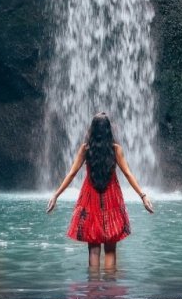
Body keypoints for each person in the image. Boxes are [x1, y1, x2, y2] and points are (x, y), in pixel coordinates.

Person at [46, 111, 155, 269]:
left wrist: (56, 195)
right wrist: (142, 196)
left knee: (94, 249)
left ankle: (93, 289)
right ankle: (110, 290)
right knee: (110, 249)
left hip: (90, 198)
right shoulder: (116, 149)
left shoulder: (85, 149)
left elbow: (71, 174)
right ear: (109, 130)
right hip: (111, 197)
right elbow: (128, 174)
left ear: (92, 129)